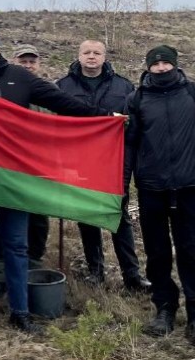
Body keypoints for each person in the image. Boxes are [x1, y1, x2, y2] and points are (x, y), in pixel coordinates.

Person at [0, 22, 109, 334]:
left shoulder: (19, 77)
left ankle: (20, 312)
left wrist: (103, 118)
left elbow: (61, 102)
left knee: (16, 246)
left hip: (15, 178)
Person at [57, 40, 151, 292]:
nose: (91, 57)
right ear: (78, 56)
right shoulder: (63, 86)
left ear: (104, 57)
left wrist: (126, 133)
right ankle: (95, 271)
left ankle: (132, 276)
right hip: (80, 162)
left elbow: (135, 125)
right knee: (86, 217)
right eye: (86, 52)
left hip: (114, 162)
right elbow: (56, 126)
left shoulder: (123, 86)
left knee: (118, 216)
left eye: (96, 53)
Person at [124, 46, 195, 344]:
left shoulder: (192, 93)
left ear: (176, 65)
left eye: (167, 62)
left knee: (192, 252)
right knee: (157, 254)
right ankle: (164, 308)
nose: (162, 68)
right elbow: (129, 143)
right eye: (156, 64)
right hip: (152, 188)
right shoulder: (137, 99)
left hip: (190, 188)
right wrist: (122, 185)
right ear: (148, 67)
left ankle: (194, 315)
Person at [0, 44, 51, 300]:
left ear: (38, 64)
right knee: (2, 219)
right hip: (7, 168)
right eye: (23, 61)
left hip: (40, 169)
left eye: (32, 61)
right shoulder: (5, 88)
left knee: (38, 219)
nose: (28, 65)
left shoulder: (48, 92)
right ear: (14, 62)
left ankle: (33, 263)